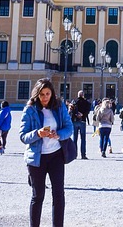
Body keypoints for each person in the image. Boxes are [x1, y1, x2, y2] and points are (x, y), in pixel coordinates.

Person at [19, 78, 73, 227]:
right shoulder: (30, 110)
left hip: (56, 156)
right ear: (37, 94)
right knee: (38, 196)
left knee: (58, 194)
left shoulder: (59, 107)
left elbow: (69, 128)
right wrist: (38, 133)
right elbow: (23, 136)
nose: (45, 97)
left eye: (47, 94)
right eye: (42, 94)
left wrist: (59, 134)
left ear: (52, 93)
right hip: (37, 158)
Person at [70, 92, 91, 159]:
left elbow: (71, 111)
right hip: (83, 121)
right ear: (83, 95)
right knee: (83, 139)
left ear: (78, 95)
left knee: (75, 138)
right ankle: (83, 154)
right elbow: (88, 110)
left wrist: (76, 114)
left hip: (75, 121)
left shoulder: (74, 102)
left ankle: (74, 154)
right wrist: (83, 115)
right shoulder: (86, 102)